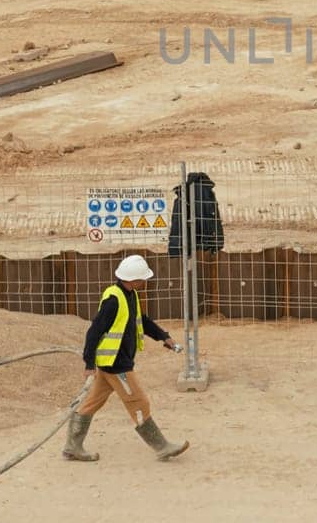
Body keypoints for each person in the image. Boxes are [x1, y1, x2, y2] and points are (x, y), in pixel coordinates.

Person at [63, 254, 189, 462]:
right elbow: (93, 332)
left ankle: (72, 446)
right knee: (138, 401)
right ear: (134, 280)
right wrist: (88, 363)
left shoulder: (130, 295)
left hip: (111, 364)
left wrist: (163, 337)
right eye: (143, 279)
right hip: (116, 364)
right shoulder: (114, 300)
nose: (145, 282)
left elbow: (143, 321)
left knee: (91, 403)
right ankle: (162, 447)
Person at [168, 171, 224, 258]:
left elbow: (176, 226)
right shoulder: (209, 197)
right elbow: (216, 222)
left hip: (185, 248)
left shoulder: (182, 198)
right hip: (206, 248)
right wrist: (218, 244)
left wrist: (174, 249)